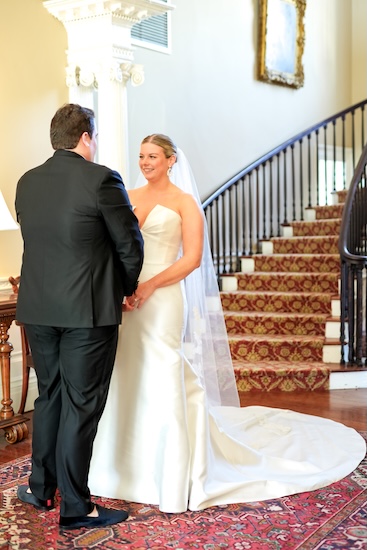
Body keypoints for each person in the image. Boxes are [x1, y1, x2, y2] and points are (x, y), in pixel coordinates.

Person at [88, 134, 366, 513]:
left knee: (163, 368)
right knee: (126, 370)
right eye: (141, 156)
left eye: (153, 156)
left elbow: (193, 260)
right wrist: (123, 287)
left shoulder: (185, 202)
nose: (145, 162)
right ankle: (117, 463)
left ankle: (172, 472)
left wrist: (150, 285)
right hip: (128, 298)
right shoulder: (129, 196)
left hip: (164, 296)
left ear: (171, 160)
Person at [15, 103, 144, 529]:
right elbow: (129, 246)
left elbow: (41, 243)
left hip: (36, 308)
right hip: (86, 312)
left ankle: (40, 488)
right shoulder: (102, 178)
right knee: (81, 405)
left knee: (49, 395)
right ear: (86, 137)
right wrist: (125, 289)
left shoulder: (26, 182)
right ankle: (76, 506)